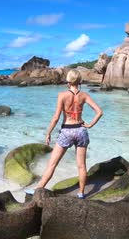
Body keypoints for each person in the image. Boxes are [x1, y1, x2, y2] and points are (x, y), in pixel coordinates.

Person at [25, 69, 103, 199]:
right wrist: (89, 125)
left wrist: (48, 133)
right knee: (82, 165)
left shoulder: (62, 95)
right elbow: (99, 112)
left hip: (67, 131)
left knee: (52, 164)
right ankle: (81, 193)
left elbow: (56, 118)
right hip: (81, 130)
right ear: (79, 81)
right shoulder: (84, 95)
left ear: (68, 81)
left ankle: (38, 189)